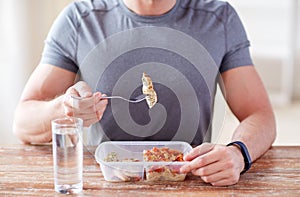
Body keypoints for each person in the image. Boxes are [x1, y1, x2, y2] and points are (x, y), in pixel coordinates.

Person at [13, 0, 276, 186]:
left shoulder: (220, 18)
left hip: (191, 182)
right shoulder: (79, 20)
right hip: (105, 184)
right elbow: (23, 122)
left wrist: (238, 153)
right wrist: (65, 108)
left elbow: (260, 115)